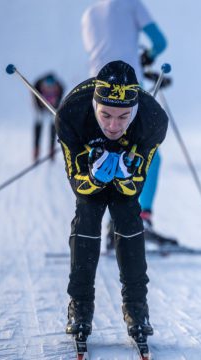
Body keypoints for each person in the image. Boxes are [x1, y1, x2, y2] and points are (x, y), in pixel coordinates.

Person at [56, 60, 168, 341]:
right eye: (105, 115)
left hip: (123, 178)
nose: (113, 126)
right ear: (94, 106)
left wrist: (126, 176)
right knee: (87, 215)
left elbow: (135, 187)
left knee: (128, 215)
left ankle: (137, 308)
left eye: (123, 117)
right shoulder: (71, 113)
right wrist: (93, 177)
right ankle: (80, 306)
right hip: (89, 171)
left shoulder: (153, 119)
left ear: (135, 110)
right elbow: (77, 184)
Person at [81, 0, 174, 249]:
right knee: (149, 155)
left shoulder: (89, 14)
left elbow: (101, 51)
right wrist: (147, 57)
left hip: (96, 95)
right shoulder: (131, 4)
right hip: (129, 92)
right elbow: (159, 42)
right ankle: (139, 220)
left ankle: (114, 225)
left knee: (108, 155)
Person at [32, 73, 64, 162]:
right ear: (42, 87)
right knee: (39, 121)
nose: (50, 89)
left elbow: (59, 103)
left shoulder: (60, 88)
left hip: (53, 106)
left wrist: (55, 104)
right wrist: (40, 105)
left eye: (52, 87)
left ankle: (51, 149)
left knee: (54, 122)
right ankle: (36, 149)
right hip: (40, 104)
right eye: (47, 87)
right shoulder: (36, 87)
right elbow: (35, 103)